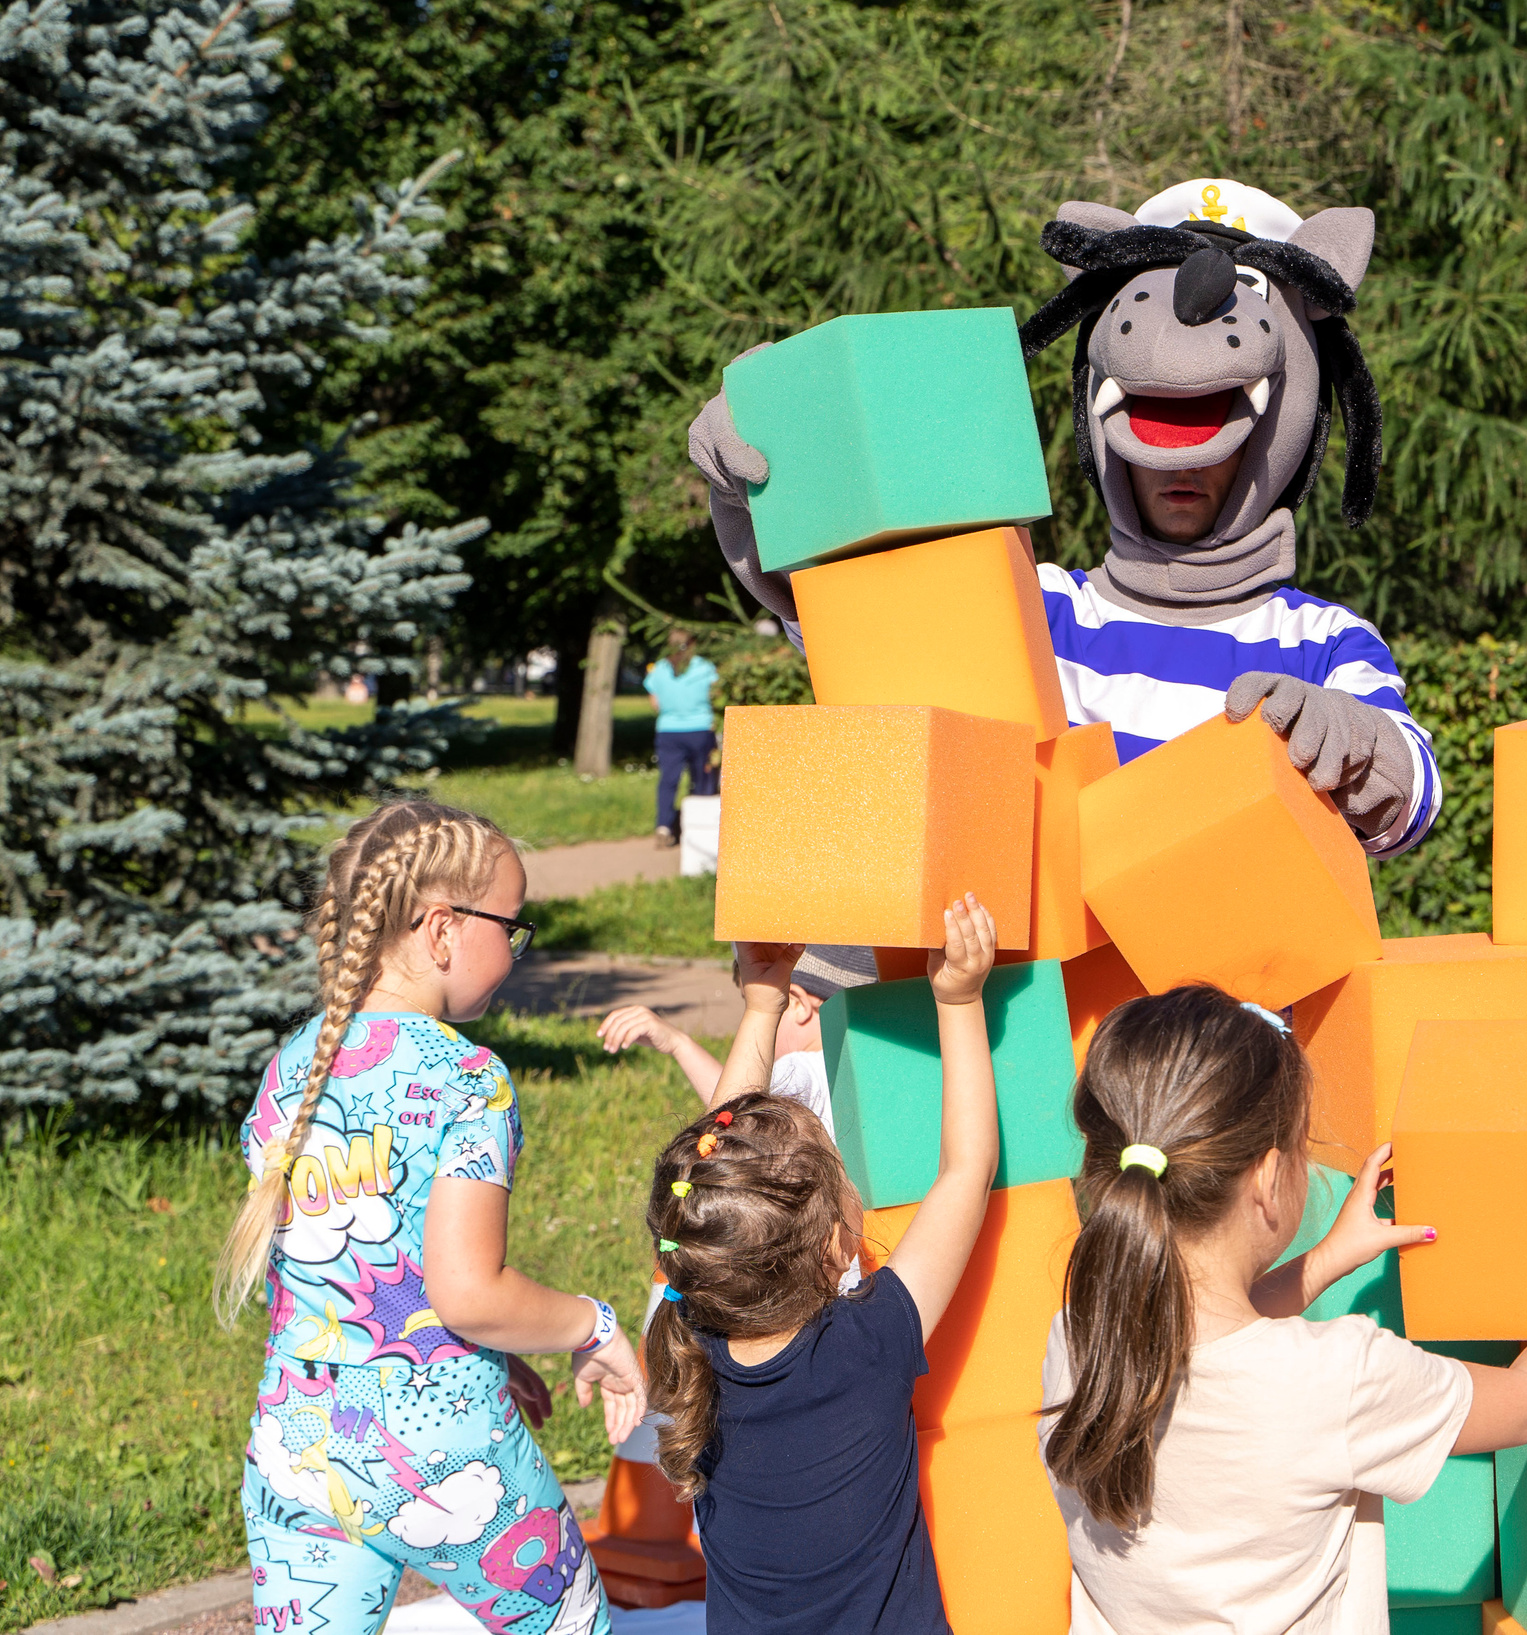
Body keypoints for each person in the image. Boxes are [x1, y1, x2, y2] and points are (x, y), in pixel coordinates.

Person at [687, 179, 1440, 860]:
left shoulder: (1325, 641)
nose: (1181, 463)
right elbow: (864, 643)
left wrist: (1360, 745)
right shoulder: (1036, 607)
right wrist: (766, 494)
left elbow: (1413, 798)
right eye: (1156, 420)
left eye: (1209, 425)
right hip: (1059, 1011)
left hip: (1240, 1013)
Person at [1038, 984, 1527, 1632]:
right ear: (1268, 1181)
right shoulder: (1337, 1376)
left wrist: (1328, 1257)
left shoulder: (1080, 1338)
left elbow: (1204, 1335)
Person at [219, 799, 645, 1635]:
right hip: (442, 1450)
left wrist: (479, 1350)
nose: (517, 950)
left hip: (296, 1445)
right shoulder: (466, 1078)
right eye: (512, 927)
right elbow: (468, 1294)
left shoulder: (290, 1067)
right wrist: (592, 1328)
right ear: (442, 929)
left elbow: (344, 1276)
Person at [642, 899, 999, 1633]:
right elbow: (968, 1169)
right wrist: (959, 1000)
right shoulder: (867, 1347)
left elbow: (714, 1179)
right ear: (839, 1244)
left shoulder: (694, 1336)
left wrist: (761, 1004)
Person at [598, 945, 879, 1129]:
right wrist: (679, 1045)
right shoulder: (864, 1064)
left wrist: (679, 1045)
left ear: (797, 1004)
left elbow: (733, 1121)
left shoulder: (800, 1070)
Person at [644, 628, 721, 849]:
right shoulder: (704, 667)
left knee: (668, 780)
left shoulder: (659, 669)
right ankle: (698, 830)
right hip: (700, 730)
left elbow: (655, 704)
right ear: (692, 643)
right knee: (702, 779)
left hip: (668, 731)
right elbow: (716, 696)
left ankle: (664, 826)